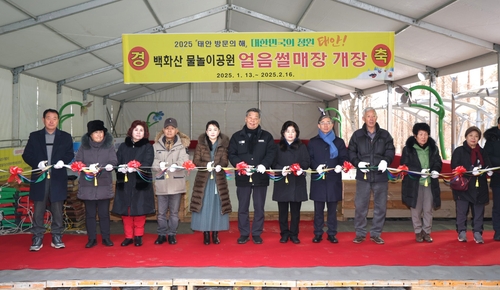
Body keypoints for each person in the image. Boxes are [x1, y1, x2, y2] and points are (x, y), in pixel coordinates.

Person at [22, 108, 74, 251]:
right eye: (48, 118)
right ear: (43, 120)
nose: (51, 121)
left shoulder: (65, 136)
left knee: (57, 208)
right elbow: (26, 155)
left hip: (57, 178)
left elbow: (70, 154)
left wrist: (62, 161)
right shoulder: (35, 136)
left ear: (58, 120)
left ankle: (57, 235)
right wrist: (37, 163)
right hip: (40, 178)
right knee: (39, 208)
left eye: (55, 118)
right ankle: (37, 236)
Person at [228, 108, 277, 244]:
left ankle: (256, 233)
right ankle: (244, 233)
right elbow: (231, 154)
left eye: (256, 118)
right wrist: (240, 164)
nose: (253, 120)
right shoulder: (237, 137)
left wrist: (265, 165)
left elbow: (271, 153)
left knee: (259, 207)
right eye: (250, 117)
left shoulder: (267, 136)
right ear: (245, 119)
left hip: (260, 178)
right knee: (243, 207)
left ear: (259, 120)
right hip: (243, 177)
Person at [348, 107, 395, 245]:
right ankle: (360, 233)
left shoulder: (385, 135)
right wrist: (358, 163)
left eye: (373, 116)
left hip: (380, 176)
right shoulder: (357, 135)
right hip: (363, 176)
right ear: (364, 118)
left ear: (376, 117)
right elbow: (351, 152)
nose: (371, 118)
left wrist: (386, 161)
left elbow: (390, 151)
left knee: (381, 206)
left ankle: (376, 233)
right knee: (361, 205)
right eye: (368, 116)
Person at [111, 120, 155, 247]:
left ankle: (138, 236)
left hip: (140, 182)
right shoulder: (123, 146)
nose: (138, 133)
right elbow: (116, 161)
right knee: (127, 211)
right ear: (131, 131)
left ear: (145, 133)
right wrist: (120, 167)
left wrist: (137, 167)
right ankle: (128, 236)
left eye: (141, 130)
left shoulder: (148, 146)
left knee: (140, 210)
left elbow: (148, 162)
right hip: (125, 182)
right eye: (136, 130)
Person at [75, 120, 118, 248]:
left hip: (104, 184)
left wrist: (110, 166)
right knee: (90, 214)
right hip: (88, 186)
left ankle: (106, 237)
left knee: (104, 214)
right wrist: (87, 168)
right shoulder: (83, 147)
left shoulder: (109, 146)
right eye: (95, 132)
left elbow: (114, 160)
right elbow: (78, 163)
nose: (99, 135)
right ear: (90, 135)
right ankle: (92, 238)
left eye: (101, 132)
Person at [190, 120, 231, 245]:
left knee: (218, 206)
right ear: (206, 132)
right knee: (204, 206)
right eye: (210, 130)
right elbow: (195, 161)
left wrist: (220, 165)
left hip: (218, 180)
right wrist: (205, 165)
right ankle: (206, 233)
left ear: (218, 131)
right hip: (204, 180)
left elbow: (225, 161)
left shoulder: (223, 144)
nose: (212, 132)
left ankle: (216, 233)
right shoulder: (201, 144)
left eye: (215, 129)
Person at [308, 115, 348, 243]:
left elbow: (344, 158)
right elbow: (309, 159)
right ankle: (318, 232)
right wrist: (315, 166)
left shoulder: (339, 142)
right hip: (318, 179)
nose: (326, 125)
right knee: (318, 209)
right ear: (318, 125)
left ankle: (331, 233)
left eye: (328, 122)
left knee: (332, 209)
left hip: (333, 179)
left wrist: (340, 166)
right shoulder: (313, 142)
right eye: (323, 123)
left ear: (332, 125)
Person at [400, 123, 442, 243]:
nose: (423, 137)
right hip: (414, 183)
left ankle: (427, 232)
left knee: (428, 208)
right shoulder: (408, 148)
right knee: (416, 209)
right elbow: (405, 164)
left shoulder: (433, 148)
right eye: (421, 134)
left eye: (426, 134)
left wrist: (435, 170)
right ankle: (418, 231)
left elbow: (438, 162)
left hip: (429, 183)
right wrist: (419, 171)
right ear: (415, 136)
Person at [451, 126, 492, 244]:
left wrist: (488, 170)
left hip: (480, 186)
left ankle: (478, 232)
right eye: (471, 136)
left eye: (476, 136)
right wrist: (470, 170)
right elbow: (454, 166)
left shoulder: (482, 152)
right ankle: (461, 231)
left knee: (479, 211)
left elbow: (487, 164)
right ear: (466, 137)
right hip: (464, 186)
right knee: (462, 210)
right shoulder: (459, 151)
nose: (473, 138)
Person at [153, 117, 190, 245]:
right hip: (162, 183)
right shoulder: (156, 145)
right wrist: (160, 165)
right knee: (161, 212)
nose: (169, 131)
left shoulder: (182, 145)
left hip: (176, 182)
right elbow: (152, 162)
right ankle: (162, 234)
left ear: (176, 130)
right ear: (163, 130)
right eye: (167, 129)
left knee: (174, 212)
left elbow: (184, 160)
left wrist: (175, 165)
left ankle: (172, 234)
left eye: (172, 129)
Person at [272, 121, 310, 244]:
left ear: (296, 133)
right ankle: (284, 234)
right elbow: (273, 163)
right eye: (288, 131)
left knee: (295, 212)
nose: (290, 134)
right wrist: (281, 170)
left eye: (293, 131)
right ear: (283, 133)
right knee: (282, 212)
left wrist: (300, 169)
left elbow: (306, 162)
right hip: (282, 181)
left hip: (297, 182)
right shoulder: (277, 147)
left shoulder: (302, 146)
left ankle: (294, 234)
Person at [483, 117, 500, 241]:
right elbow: (486, 156)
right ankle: (498, 231)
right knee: (498, 207)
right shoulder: (491, 139)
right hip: (497, 178)